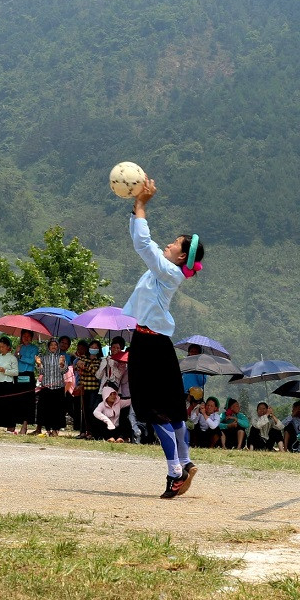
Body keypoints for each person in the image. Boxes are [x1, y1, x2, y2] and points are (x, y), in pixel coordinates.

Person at [121, 176, 205, 498]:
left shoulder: (167, 271)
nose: (168, 244)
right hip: (160, 345)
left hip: (148, 345)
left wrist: (142, 204)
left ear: (182, 256)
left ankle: (175, 474)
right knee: (173, 409)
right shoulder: (166, 271)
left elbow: (144, 244)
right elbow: (143, 243)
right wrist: (136, 208)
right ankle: (185, 462)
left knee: (154, 412)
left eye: (175, 243)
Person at [35, 338, 67, 436]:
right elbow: (41, 372)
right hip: (47, 387)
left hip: (58, 388)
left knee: (57, 410)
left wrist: (62, 364)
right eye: (51, 345)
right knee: (46, 410)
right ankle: (48, 429)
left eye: (55, 345)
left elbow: (64, 371)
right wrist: (39, 364)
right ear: (48, 347)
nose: (53, 347)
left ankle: (55, 430)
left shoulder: (61, 357)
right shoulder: (44, 357)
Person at [13, 329, 38, 435]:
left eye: (28, 336)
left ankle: (25, 425)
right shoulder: (19, 347)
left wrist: (20, 356)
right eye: (24, 336)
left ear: (32, 337)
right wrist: (16, 353)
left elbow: (31, 361)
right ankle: (13, 425)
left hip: (28, 375)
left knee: (28, 401)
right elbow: (14, 361)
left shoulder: (34, 348)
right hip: (18, 375)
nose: (26, 338)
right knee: (18, 400)